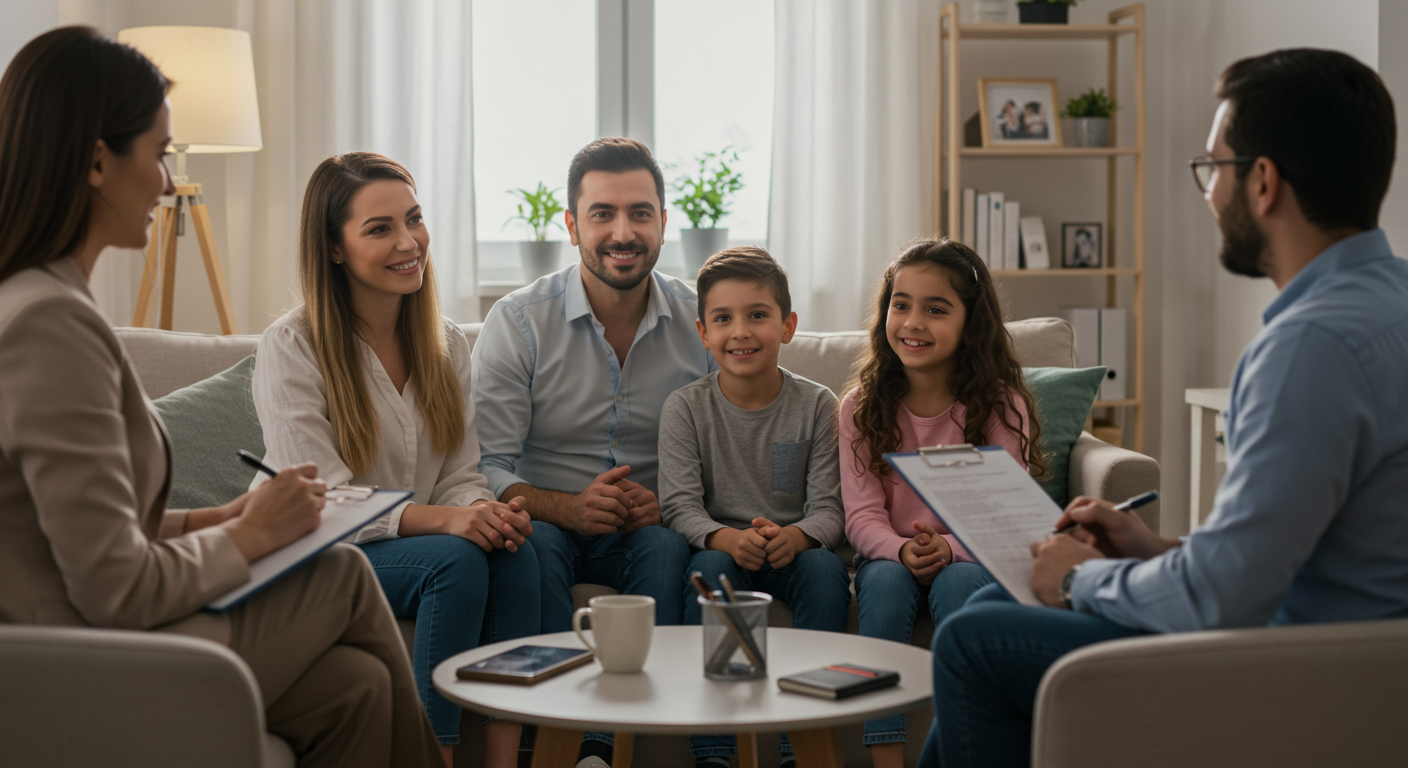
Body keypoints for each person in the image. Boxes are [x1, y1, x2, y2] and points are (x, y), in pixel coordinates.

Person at [922, 48, 1408, 768]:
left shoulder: (1310, 349)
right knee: (983, 610)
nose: (1210, 195)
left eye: (1214, 169)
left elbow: (1221, 599)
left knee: (974, 639)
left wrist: (1081, 576)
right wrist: (1149, 548)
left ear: (1264, 182)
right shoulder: (1388, 305)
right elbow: (1303, 551)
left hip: (1297, 676)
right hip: (1359, 659)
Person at [0, 27, 439, 768]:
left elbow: (87, 525)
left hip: (90, 626)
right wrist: (253, 536)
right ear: (100, 162)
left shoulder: (41, 304)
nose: (169, 182)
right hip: (75, 659)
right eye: (161, 153)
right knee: (338, 573)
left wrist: (223, 514)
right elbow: (113, 584)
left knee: (356, 685)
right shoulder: (48, 324)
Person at [252, 152, 539, 768]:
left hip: (413, 546)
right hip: (315, 552)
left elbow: (461, 474)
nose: (409, 242)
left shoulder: (446, 342)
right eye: (379, 228)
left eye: (414, 219)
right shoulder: (292, 345)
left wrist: (485, 513)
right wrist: (447, 522)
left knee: (518, 551)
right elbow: (320, 496)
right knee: (455, 561)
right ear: (334, 248)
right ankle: (430, 756)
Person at [471, 137, 706, 768]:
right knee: (533, 545)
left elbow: (730, 445)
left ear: (664, 221)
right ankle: (549, 741)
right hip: (547, 521)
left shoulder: (704, 322)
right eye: (602, 214)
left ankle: (603, 749)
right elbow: (486, 464)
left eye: (640, 213)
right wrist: (567, 509)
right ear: (571, 225)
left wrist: (678, 505)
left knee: (665, 547)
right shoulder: (518, 322)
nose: (622, 232)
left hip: (651, 527)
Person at [841, 238, 1048, 768]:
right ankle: (884, 758)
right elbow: (862, 514)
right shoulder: (860, 406)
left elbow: (1002, 521)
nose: (912, 322)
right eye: (901, 304)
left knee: (959, 585)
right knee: (883, 582)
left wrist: (950, 549)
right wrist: (899, 550)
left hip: (970, 558)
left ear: (970, 324)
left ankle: (964, 749)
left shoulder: (1003, 404)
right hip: (891, 557)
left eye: (936, 309)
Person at [659, 247, 852, 768]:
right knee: (709, 568)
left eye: (757, 316)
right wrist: (725, 537)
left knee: (824, 572)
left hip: (795, 550)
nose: (740, 331)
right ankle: (715, 749)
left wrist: (799, 537)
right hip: (724, 550)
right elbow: (678, 506)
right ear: (703, 332)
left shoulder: (818, 405)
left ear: (787, 326)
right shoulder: (685, 408)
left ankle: (802, 747)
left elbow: (831, 509)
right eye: (723, 319)